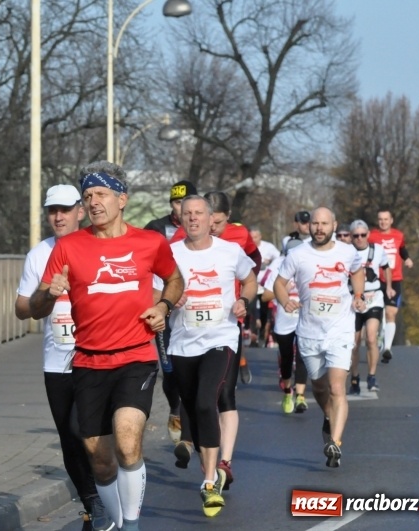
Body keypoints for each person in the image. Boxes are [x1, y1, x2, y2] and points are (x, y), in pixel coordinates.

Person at [28, 161, 183, 531]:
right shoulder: (68, 247)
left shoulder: (149, 242)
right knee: (99, 458)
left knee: (128, 441)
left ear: (122, 199)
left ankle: (131, 524)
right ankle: (113, 522)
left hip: (136, 358)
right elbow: (35, 308)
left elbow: (174, 279)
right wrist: (47, 294)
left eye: (100, 194)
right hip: (88, 362)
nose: (93, 202)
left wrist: (163, 306)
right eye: (87, 196)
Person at [15, 184, 108, 531]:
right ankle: (92, 505)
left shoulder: (98, 247)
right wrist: (46, 294)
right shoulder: (39, 255)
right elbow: (22, 310)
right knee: (69, 441)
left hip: (95, 357)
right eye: (52, 210)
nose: (58, 216)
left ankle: (104, 499)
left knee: (82, 429)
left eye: (65, 210)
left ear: (80, 211)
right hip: (56, 362)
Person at [165, 194, 256, 517]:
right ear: (182, 219)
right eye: (187, 214)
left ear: (210, 218)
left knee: (207, 401)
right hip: (183, 342)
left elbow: (250, 279)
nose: (193, 219)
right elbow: (154, 288)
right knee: (193, 406)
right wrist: (167, 300)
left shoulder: (229, 251)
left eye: (199, 213)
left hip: (221, 338)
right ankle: (209, 469)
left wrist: (244, 299)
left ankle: (208, 481)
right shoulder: (170, 253)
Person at [273, 207, 366, 468]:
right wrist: (284, 302)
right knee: (320, 386)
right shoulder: (297, 254)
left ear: (334, 225)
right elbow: (279, 283)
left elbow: (358, 271)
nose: (320, 228)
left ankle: (335, 442)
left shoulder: (347, 252)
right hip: (309, 331)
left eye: (325, 223)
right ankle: (327, 416)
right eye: (315, 223)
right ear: (310, 226)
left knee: (337, 387)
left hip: (340, 328)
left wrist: (357, 296)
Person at [143, 180, 198, 446]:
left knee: (194, 367)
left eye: (187, 202)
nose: (182, 208)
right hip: (165, 307)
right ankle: (175, 408)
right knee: (170, 370)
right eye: (177, 203)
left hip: (195, 312)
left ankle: (193, 419)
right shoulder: (155, 229)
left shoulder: (205, 228)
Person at [261, 238, 309, 414]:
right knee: (287, 357)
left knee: (303, 354)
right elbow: (265, 297)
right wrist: (283, 290)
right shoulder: (279, 269)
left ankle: (301, 395)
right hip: (284, 321)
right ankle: (288, 391)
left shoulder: (308, 266)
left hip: (304, 319)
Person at [348, 220, 392, 394]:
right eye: (355, 235)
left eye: (363, 235)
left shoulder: (377, 250)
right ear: (351, 237)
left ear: (368, 235)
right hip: (353, 299)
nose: (359, 239)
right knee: (354, 343)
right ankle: (355, 377)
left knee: (372, 338)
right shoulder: (347, 252)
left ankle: (372, 376)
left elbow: (386, 267)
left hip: (374, 297)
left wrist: (388, 286)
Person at [368, 207, 412, 363]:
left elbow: (402, 249)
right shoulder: (371, 236)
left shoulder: (398, 235)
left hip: (395, 279)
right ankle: (379, 335)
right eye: (380, 219)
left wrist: (407, 259)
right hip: (375, 280)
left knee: (391, 313)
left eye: (386, 219)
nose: (383, 222)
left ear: (391, 220)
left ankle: (387, 348)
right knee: (377, 313)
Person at [250, 227, 281, 348]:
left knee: (264, 311)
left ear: (260, 236)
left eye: (255, 237)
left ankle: (264, 334)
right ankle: (253, 336)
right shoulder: (246, 247)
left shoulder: (269, 247)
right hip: (251, 284)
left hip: (265, 285)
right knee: (251, 310)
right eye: (251, 237)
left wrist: (269, 263)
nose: (253, 240)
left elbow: (279, 258)